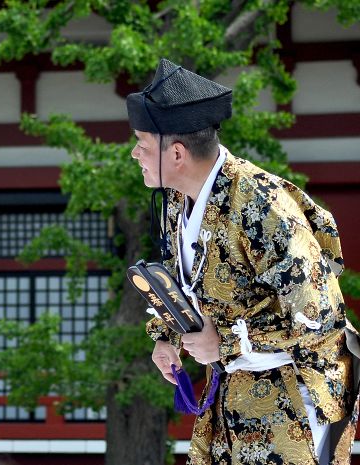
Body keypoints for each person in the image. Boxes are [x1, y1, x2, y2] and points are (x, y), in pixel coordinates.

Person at [129, 58, 359, 464]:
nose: (135, 154)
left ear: (177, 153)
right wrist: (167, 336)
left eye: (143, 144)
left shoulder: (261, 204)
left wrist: (228, 342)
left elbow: (319, 314)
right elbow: (183, 282)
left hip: (294, 388)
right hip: (233, 380)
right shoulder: (175, 201)